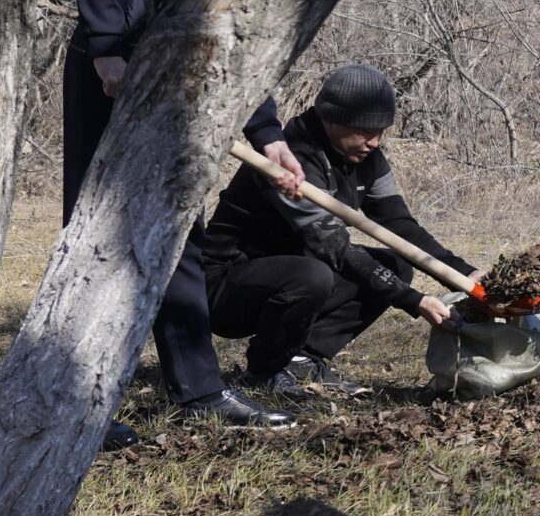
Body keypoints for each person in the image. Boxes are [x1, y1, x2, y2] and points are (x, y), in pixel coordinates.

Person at [67, 0, 331, 445]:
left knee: (180, 222)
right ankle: (79, 400)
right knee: (98, 229)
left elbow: (232, 42)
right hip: (113, 73)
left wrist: (267, 134)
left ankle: (200, 392)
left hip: (180, 78)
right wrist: (107, 50)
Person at [201, 65, 470, 396]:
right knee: (313, 275)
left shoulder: (365, 157)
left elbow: (400, 226)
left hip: (295, 275)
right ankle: (264, 371)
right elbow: (335, 248)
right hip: (225, 288)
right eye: (364, 130)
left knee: (394, 266)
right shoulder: (289, 162)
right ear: (329, 118)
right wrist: (415, 302)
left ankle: (302, 357)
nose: (375, 141)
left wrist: (467, 275)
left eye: (381, 130)